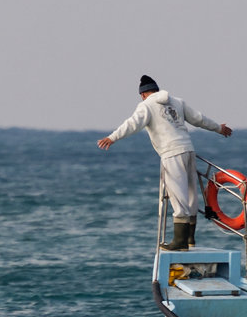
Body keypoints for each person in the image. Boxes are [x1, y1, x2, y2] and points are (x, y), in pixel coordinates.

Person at [98, 75, 233, 250]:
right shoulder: (177, 101)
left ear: (143, 94)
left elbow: (132, 124)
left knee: (178, 196)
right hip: (188, 150)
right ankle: (190, 239)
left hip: (171, 152)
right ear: (156, 89)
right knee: (192, 195)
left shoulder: (146, 106)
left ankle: (179, 242)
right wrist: (219, 128)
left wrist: (112, 137)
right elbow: (199, 119)